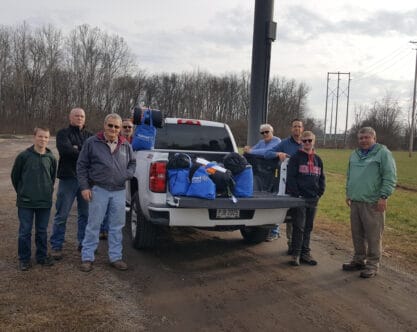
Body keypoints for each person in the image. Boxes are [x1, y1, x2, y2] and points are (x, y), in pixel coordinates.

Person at [77, 113, 136, 272]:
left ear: (120, 129)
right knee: (93, 225)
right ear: (104, 125)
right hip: (99, 190)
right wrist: (84, 187)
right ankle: (87, 257)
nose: (113, 129)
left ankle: (115, 257)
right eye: (110, 125)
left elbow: (132, 163)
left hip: (118, 191)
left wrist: (127, 175)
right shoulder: (92, 142)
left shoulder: (125, 145)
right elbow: (81, 166)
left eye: (117, 126)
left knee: (117, 226)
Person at [343, 127, 396, 278]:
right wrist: (348, 193)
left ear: (374, 138)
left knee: (373, 236)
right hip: (355, 201)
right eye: (361, 138)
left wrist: (384, 197)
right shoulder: (354, 154)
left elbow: (390, 177)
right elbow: (349, 175)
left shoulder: (383, 153)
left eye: (367, 137)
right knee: (357, 234)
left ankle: (372, 265)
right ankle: (359, 260)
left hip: (373, 203)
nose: (364, 140)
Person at [11, 127, 57, 271]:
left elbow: (52, 177)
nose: (43, 140)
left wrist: (46, 192)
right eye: (40, 136)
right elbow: (15, 177)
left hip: (44, 202)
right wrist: (23, 192)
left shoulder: (51, 158)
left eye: (46, 137)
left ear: (48, 139)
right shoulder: (24, 156)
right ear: (34, 137)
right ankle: (24, 259)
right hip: (26, 202)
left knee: (42, 231)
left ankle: (41, 257)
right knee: (25, 231)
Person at [49, 108, 93, 259]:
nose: (79, 118)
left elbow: (93, 154)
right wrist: (83, 153)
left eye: (82, 116)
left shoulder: (90, 136)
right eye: (77, 115)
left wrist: (77, 149)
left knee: (85, 215)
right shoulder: (63, 134)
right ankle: (56, 245)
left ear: (85, 119)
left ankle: (83, 243)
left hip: (85, 181)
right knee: (62, 214)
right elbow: (65, 151)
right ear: (70, 118)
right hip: (68, 178)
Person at [285, 131, 325, 266]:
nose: (307, 143)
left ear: (314, 141)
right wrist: (297, 194)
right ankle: (295, 254)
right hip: (300, 198)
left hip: (313, 198)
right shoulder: (295, 158)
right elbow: (291, 178)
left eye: (310, 140)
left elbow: (322, 178)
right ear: (301, 142)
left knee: (308, 227)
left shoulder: (318, 159)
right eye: (304, 141)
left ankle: (305, 253)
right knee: (299, 226)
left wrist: (320, 192)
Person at [264, 119, 304, 245]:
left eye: (299, 126)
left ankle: (294, 244)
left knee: (297, 215)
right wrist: (278, 153)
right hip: (285, 183)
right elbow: (267, 154)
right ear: (291, 129)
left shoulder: (306, 143)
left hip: (302, 185)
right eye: (294, 126)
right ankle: (275, 231)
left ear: (302, 129)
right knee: (281, 209)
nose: (297, 128)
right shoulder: (285, 143)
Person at [99, 117, 135, 240]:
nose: (127, 129)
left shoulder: (137, 142)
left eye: (129, 127)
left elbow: (133, 162)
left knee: (116, 208)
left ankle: (111, 230)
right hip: (110, 180)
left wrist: (128, 174)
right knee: (107, 205)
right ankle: (103, 229)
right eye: (124, 127)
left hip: (127, 178)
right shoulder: (116, 140)